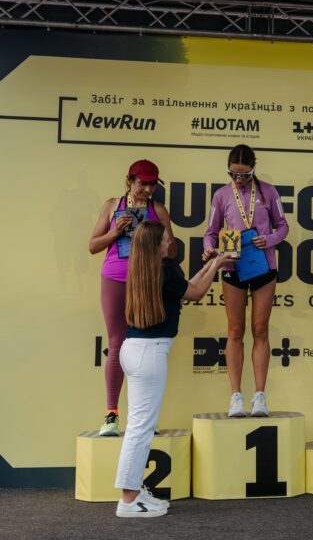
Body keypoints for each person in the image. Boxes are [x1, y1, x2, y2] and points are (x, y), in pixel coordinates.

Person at [115, 220, 230, 517]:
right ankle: (128, 499)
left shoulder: (151, 270)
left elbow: (188, 287)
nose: (170, 242)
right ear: (155, 245)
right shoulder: (163, 271)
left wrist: (212, 263)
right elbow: (197, 293)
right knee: (141, 429)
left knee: (139, 426)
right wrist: (217, 266)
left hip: (136, 350)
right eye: (166, 239)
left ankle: (134, 491)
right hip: (149, 353)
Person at [89, 160, 177, 436]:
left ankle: (145, 415)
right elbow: (93, 246)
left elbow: (173, 251)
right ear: (130, 180)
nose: (148, 189)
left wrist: (155, 238)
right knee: (117, 343)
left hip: (147, 281)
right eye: (143, 183)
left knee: (146, 346)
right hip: (115, 277)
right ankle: (111, 415)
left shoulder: (158, 210)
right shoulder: (111, 205)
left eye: (152, 184)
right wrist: (115, 232)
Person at [203, 144, 289, 418]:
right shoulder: (221, 195)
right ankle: (236, 397)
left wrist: (270, 239)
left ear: (253, 169)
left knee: (260, 329)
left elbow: (283, 226)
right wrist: (209, 249)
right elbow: (210, 232)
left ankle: (260, 396)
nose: (238, 179)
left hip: (263, 264)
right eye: (233, 174)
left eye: (244, 175)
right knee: (235, 330)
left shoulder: (269, 192)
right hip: (233, 264)